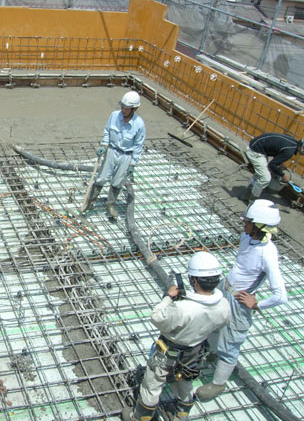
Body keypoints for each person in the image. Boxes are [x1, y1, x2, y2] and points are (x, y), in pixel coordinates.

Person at [196, 199, 287, 401]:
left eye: (248, 222)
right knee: (210, 322)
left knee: (230, 343)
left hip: (239, 300)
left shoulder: (268, 253)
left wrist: (256, 305)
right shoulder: (247, 238)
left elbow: (281, 296)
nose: (243, 225)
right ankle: (211, 352)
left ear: (259, 227)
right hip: (225, 287)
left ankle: (218, 384)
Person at [122, 252, 230, 421]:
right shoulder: (224, 305)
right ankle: (180, 414)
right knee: (185, 382)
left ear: (194, 280)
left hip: (168, 352)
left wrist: (169, 297)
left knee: (152, 384)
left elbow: (157, 318)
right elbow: (217, 324)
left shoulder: (183, 308)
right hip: (194, 353)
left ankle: (140, 417)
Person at [83, 91, 146, 217]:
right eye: (122, 106)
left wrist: (133, 163)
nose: (123, 109)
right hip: (111, 150)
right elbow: (107, 131)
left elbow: (138, 146)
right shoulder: (114, 116)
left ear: (134, 109)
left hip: (126, 155)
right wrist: (104, 145)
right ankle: (90, 202)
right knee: (101, 177)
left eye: (126, 108)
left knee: (117, 182)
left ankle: (110, 205)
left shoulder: (139, 124)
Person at [244, 132, 304, 202]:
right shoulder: (289, 152)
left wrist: (280, 163)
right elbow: (272, 165)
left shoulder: (292, 140)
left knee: (261, 173)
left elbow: (277, 148)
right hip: (255, 151)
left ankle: (246, 194)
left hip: (255, 144)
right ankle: (252, 200)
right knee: (265, 178)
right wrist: (283, 175)